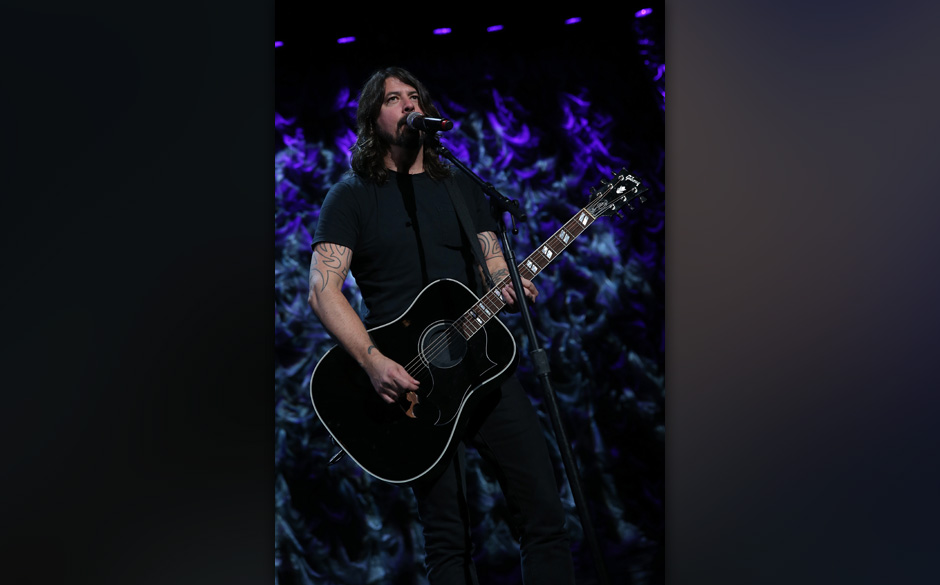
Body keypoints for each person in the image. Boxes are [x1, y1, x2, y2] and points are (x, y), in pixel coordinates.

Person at [307, 66, 575, 585]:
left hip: (483, 367)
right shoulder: (352, 195)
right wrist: (372, 361)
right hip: (413, 385)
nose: (408, 104)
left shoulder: (458, 187)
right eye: (393, 99)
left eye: (414, 96)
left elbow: (491, 264)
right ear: (373, 119)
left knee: (544, 513)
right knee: (448, 541)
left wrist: (508, 281)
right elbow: (322, 290)